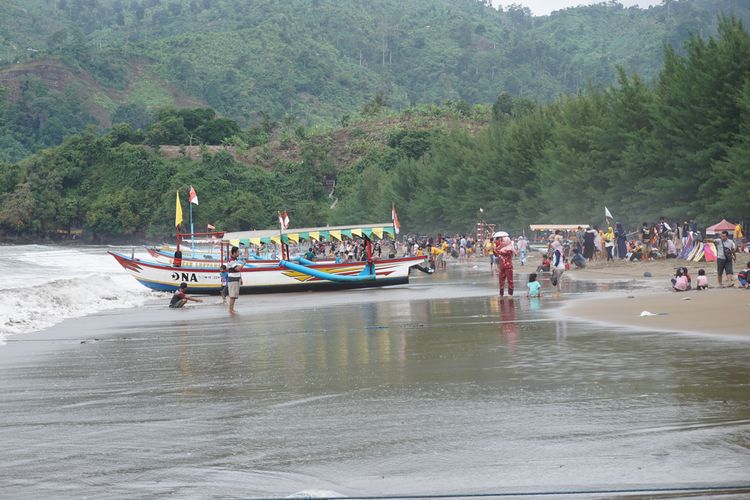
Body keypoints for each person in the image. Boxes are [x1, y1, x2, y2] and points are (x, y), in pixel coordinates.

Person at [227, 246, 243, 314]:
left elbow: (238, 271)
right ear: (234, 252)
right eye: (238, 252)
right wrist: (243, 264)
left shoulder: (235, 260)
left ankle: (232, 309)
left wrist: (240, 278)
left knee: (234, 296)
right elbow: (237, 269)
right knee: (232, 296)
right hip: (232, 280)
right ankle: (230, 310)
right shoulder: (231, 260)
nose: (238, 253)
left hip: (235, 279)